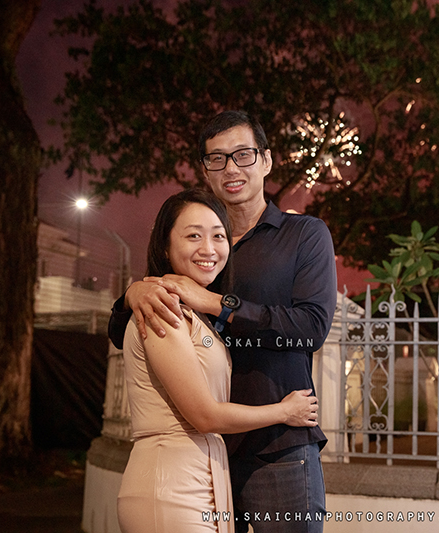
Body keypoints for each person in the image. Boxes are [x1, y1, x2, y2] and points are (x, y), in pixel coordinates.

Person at [109, 111, 338, 533]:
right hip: (203, 451)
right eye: (217, 159)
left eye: (243, 155)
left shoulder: (303, 235)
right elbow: (127, 334)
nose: (231, 168)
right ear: (205, 171)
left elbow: (311, 326)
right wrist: (132, 294)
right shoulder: (197, 247)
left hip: (278, 445)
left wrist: (218, 303)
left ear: (266, 161)